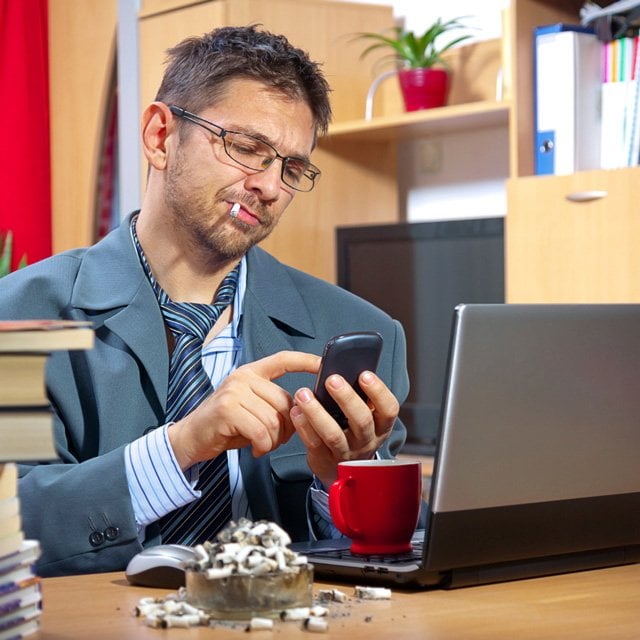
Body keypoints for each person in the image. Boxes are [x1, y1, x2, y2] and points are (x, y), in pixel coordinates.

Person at [0, 25, 409, 576]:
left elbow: (402, 552)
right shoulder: (19, 317)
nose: (269, 186)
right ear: (160, 136)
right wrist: (180, 447)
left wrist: (343, 481)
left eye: (291, 168)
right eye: (246, 148)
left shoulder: (357, 329)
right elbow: (12, 529)